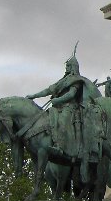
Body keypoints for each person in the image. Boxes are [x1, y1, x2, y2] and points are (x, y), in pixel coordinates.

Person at [26, 44, 103, 183]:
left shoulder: (77, 80)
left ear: (74, 67)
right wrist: (33, 96)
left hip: (71, 108)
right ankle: (54, 142)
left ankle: (63, 146)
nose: (66, 69)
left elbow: (72, 94)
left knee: (64, 120)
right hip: (58, 107)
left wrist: (58, 99)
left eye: (69, 66)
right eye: (66, 66)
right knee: (48, 120)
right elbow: (48, 90)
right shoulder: (63, 80)